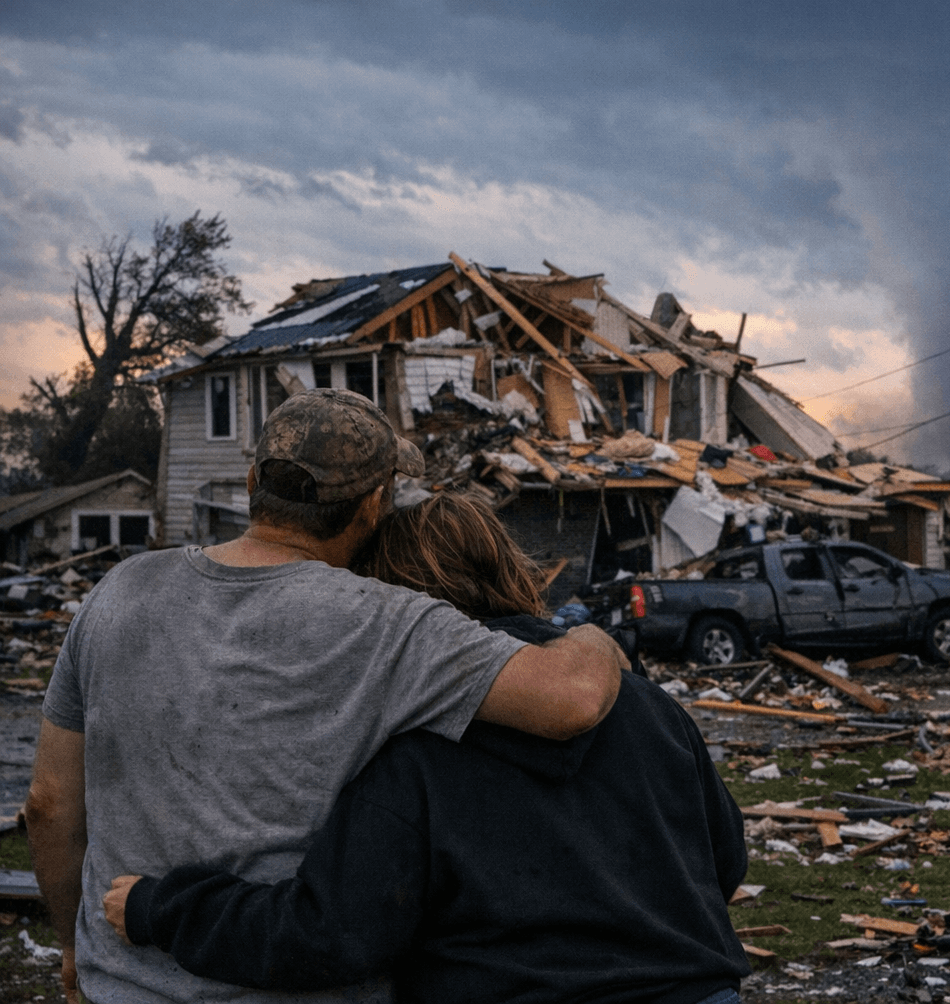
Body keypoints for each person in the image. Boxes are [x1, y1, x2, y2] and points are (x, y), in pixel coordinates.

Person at [26, 389, 627, 1004]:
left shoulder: (119, 591)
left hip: (121, 985)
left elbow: (48, 804)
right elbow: (574, 700)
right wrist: (590, 634)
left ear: (253, 479)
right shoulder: (387, 623)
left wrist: (76, 946)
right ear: (374, 505)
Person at [102, 492, 751, 1004]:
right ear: (505, 563)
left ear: (382, 593)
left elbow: (331, 934)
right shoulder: (643, 703)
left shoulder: (413, 740)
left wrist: (161, 906)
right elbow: (725, 861)